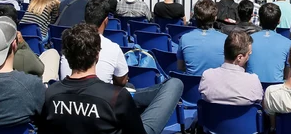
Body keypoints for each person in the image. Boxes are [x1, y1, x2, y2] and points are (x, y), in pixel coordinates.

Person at [36, 23, 183, 134]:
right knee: (175, 84)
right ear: (97, 56)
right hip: (118, 105)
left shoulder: (50, 94)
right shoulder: (116, 96)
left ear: (66, 56)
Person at [60, 0, 129, 86]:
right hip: (100, 95)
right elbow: (122, 80)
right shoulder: (113, 48)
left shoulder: (70, 43)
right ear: (106, 21)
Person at [199, 30, 263, 105]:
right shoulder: (253, 81)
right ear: (239, 57)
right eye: (249, 54)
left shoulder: (207, 76)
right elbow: (259, 101)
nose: (249, 58)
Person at [177, 0, 226, 75]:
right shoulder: (225, 39)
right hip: (216, 85)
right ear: (215, 18)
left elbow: (180, 67)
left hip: (192, 85)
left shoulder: (184, 39)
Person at [248, 3, 291, 83]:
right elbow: (288, 75)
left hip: (250, 88)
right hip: (276, 90)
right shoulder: (288, 44)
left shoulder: (247, 40)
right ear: (279, 21)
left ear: (259, 20)